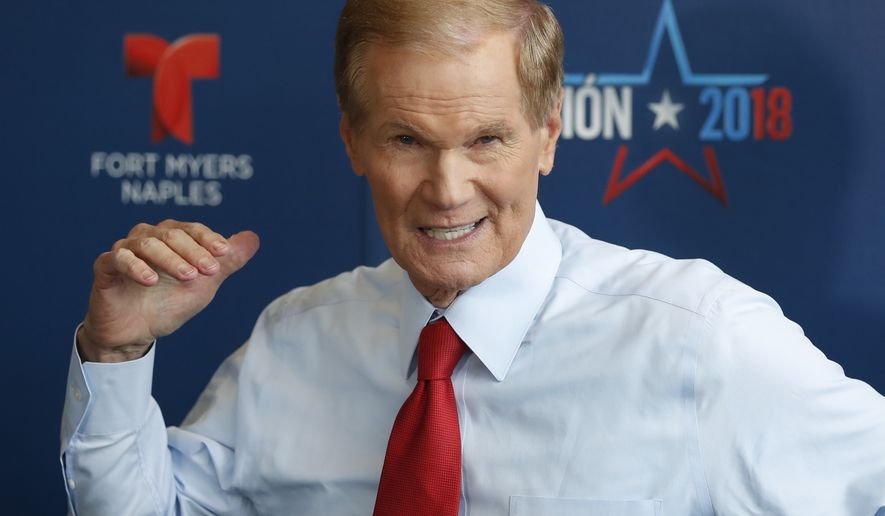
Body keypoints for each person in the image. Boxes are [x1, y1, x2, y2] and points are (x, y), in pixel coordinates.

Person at [61, 0, 885, 514]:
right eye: (407, 140)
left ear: (548, 136)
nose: (447, 189)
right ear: (353, 142)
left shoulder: (700, 341)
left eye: (486, 138)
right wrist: (119, 349)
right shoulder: (295, 341)